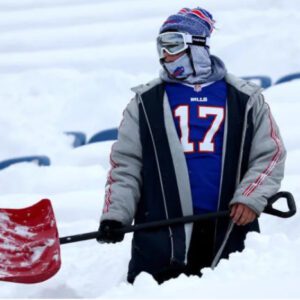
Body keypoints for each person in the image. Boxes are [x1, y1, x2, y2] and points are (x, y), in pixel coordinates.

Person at [97, 7, 286, 284]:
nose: (165, 55)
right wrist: (115, 216)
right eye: (160, 46)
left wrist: (250, 197)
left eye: (172, 43)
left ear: (198, 45)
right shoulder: (144, 103)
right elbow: (126, 166)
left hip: (229, 226)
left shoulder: (245, 99)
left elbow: (270, 154)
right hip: (161, 235)